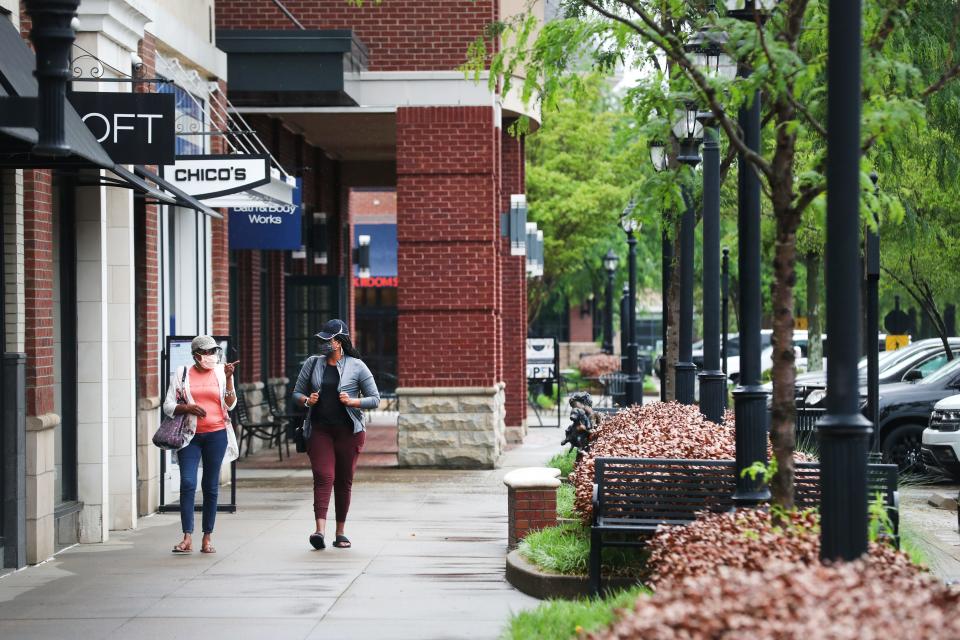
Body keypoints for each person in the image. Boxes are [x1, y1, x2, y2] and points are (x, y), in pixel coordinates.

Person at [293, 319, 380, 550]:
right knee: (324, 476)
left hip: (348, 432)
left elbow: (375, 399)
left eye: (328, 340)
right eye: (321, 340)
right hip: (319, 429)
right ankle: (319, 531)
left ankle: (340, 532)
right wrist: (306, 400)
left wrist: (353, 401)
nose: (323, 343)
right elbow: (297, 393)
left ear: (340, 341)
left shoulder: (357, 366)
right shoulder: (312, 363)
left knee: (343, 481)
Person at [162, 335, 240, 554]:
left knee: (210, 486)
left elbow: (231, 404)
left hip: (216, 435)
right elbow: (168, 405)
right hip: (190, 436)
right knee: (187, 483)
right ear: (196, 355)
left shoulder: (220, 372)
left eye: (213, 351)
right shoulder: (182, 373)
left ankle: (207, 537)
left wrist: (230, 379)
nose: (211, 356)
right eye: (206, 352)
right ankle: (187, 536)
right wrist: (187, 408)